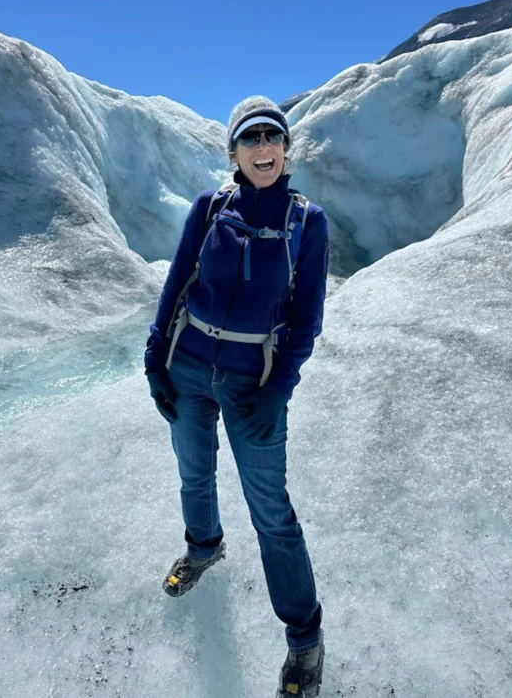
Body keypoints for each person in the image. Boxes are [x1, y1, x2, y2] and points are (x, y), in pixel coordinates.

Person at [144, 96, 329, 697]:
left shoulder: (308, 222)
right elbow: (177, 281)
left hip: (254, 380)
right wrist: (155, 354)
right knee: (194, 473)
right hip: (190, 364)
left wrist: (280, 387)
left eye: (271, 137)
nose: (262, 149)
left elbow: (306, 318)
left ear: (286, 149)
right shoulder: (210, 207)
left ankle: (305, 639)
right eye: (250, 140)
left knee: (272, 513)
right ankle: (204, 547)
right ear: (234, 153)